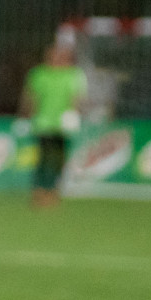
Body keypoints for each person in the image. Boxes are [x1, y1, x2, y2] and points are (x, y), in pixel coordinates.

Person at [18, 43, 87, 209]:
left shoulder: (73, 74)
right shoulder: (39, 74)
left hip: (62, 125)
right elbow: (30, 97)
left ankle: (54, 191)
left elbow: (77, 97)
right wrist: (24, 116)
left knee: (59, 159)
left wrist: (74, 115)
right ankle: (39, 191)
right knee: (43, 159)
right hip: (42, 123)